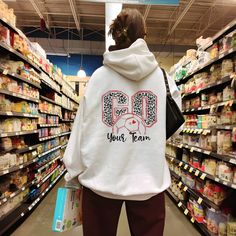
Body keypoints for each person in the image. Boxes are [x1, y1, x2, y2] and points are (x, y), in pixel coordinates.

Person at [63, 8, 181, 236]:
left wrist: (73, 170)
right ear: (144, 36)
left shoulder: (98, 77)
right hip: (149, 182)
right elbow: (175, 130)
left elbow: (80, 129)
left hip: (101, 181)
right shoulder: (164, 79)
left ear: (116, 36)